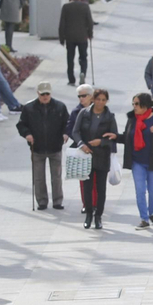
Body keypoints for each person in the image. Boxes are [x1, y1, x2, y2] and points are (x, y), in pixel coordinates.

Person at [17, 82, 69, 211]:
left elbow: (67, 123)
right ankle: (42, 201)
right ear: (38, 93)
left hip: (55, 146)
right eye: (42, 94)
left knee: (56, 176)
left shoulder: (60, 107)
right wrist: (27, 134)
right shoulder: (29, 108)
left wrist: (65, 133)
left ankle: (57, 201)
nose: (45, 96)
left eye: (47, 94)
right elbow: (21, 125)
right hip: (37, 148)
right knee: (39, 177)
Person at [74, 87, 118, 230]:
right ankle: (88, 214)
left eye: (103, 100)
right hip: (86, 155)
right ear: (93, 99)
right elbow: (75, 131)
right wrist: (81, 144)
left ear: (107, 101)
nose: (100, 102)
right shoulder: (84, 113)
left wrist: (102, 142)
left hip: (102, 156)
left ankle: (98, 216)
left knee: (101, 188)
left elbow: (114, 137)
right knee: (87, 187)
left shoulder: (109, 116)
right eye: (98, 99)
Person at [123, 93, 153, 229]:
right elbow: (126, 137)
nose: (134, 107)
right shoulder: (132, 119)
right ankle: (144, 218)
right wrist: (113, 137)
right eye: (133, 104)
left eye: (137, 104)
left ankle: (152, 213)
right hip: (137, 161)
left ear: (145, 105)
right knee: (140, 190)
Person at [66, 83, 95, 212]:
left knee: (97, 179)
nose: (81, 99)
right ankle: (86, 204)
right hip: (82, 149)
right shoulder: (76, 112)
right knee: (83, 178)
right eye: (79, 96)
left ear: (91, 96)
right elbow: (71, 129)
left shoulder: (100, 109)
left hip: (97, 149)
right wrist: (81, 143)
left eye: (84, 96)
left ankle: (96, 203)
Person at [58, 0, 95, 86]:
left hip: (70, 37)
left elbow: (62, 23)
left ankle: (71, 79)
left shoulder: (66, 7)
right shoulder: (85, 6)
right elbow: (90, 22)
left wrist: (62, 38)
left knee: (70, 58)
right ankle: (83, 72)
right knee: (83, 57)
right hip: (82, 36)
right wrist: (90, 34)